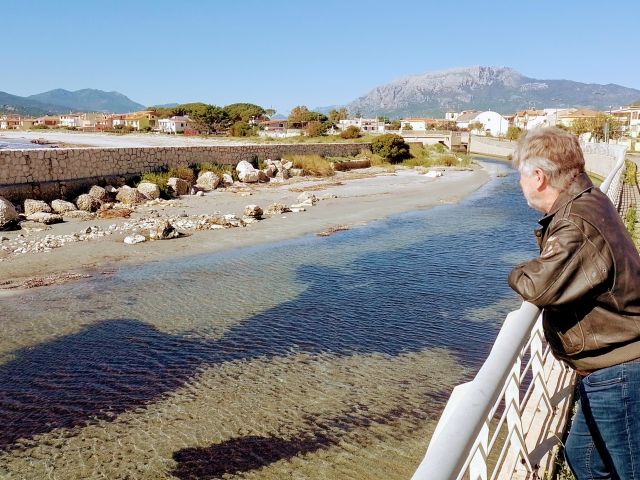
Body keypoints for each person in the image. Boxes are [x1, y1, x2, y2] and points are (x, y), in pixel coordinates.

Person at [508, 127, 640, 479]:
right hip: (609, 367)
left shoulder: (575, 223)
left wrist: (516, 271)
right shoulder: (590, 199)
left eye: (520, 176)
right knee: (583, 458)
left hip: (620, 368)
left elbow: (538, 284)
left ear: (537, 177)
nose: (519, 185)